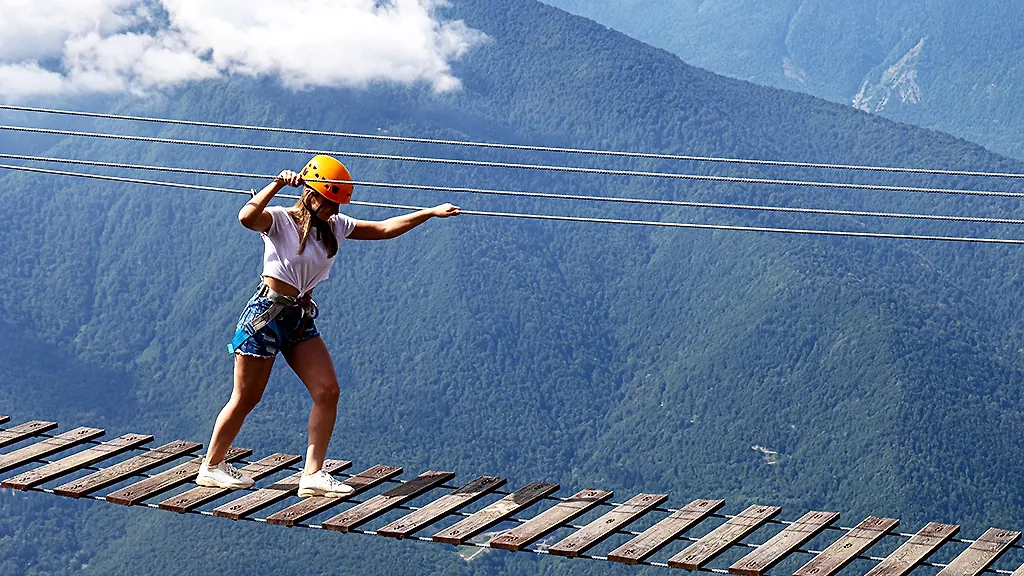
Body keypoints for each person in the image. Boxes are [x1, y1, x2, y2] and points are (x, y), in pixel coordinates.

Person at [196, 155, 460, 496]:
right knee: (247, 397)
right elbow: (246, 217)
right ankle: (212, 467)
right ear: (311, 195)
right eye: (330, 201)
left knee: (328, 391)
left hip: (299, 317)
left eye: (337, 203)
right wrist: (277, 183)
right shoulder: (280, 220)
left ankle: (313, 474)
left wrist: (429, 213)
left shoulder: (335, 226)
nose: (334, 209)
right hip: (266, 316)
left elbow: (382, 229)